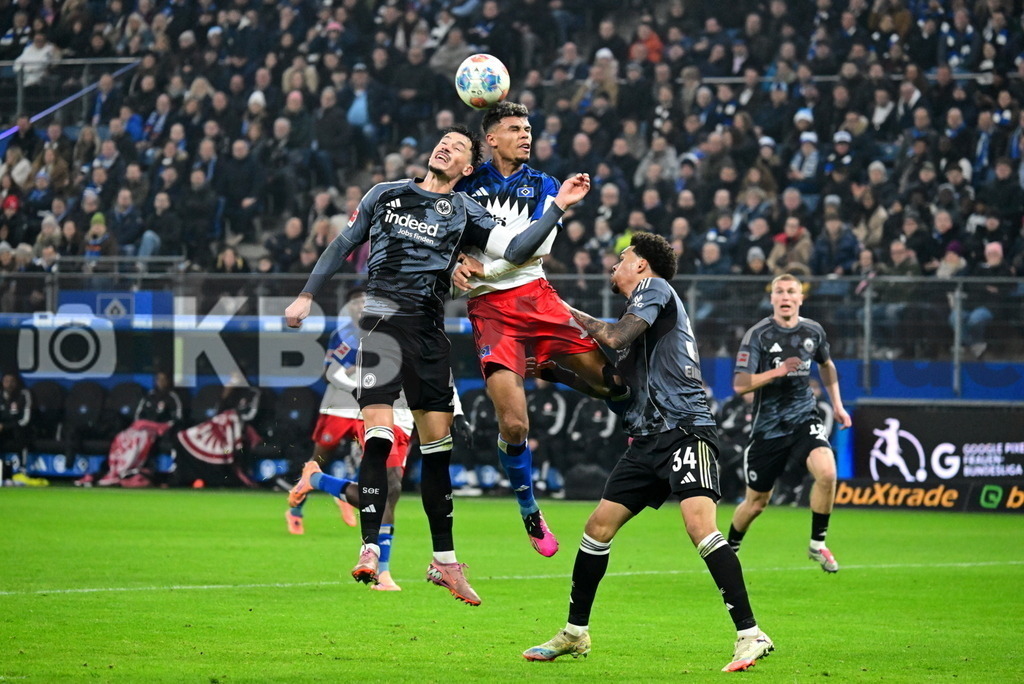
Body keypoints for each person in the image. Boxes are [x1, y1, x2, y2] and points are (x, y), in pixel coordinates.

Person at [284, 125, 592, 605]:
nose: (446, 147)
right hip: (380, 327)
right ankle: (369, 549)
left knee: (437, 451)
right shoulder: (384, 195)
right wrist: (306, 295)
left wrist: (558, 206)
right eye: (443, 141)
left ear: (468, 168)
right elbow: (341, 245)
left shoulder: (465, 210)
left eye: (458, 146)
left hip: (429, 334)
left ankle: (444, 563)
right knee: (379, 439)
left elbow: (515, 251)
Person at [523, 233, 774, 673]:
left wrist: (558, 307)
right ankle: (575, 632)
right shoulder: (639, 323)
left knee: (700, 526)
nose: (614, 265)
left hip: (684, 429)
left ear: (641, 265)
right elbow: (615, 390)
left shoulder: (654, 289)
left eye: (623, 257)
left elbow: (614, 335)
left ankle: (751, 634)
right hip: (646, 440)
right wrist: (556, 374)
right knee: (597, 528)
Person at [451, 101, 629, 558]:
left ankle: (553, 371)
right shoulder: (465, 187)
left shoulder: (546, 185)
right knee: (514, 424)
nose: (526, 135)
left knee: (609, 385)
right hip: (490, 311)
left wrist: (484, 267)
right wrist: (453, 265)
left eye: (528, 128)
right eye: (515, 129)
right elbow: (448, 243)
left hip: (538, 297)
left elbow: (531, 250)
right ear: (491, 138)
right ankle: (529, 508)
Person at [286, 287, 415, 593]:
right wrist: (360, 389)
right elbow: (332, 371)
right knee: (385, 485)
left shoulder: (415, 332)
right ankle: (383, 572)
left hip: (406, 416)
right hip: (361, 410)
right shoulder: (353, 337)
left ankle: (318, 481)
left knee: (388, 492)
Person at [727, 273, 853, 573]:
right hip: (768, 429)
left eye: (791, 292)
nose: (785, 297)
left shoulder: (813, 331)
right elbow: (740, 384)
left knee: (827, 472)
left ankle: (817, 544)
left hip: (803, 419)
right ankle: (728, 550)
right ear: (772, 298)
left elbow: (827, 364)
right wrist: (777, 372)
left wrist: (837, 405)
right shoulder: (758, 335)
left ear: (800, 298)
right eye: (780, 292)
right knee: (756, 503)